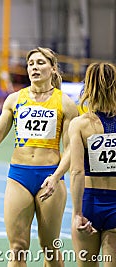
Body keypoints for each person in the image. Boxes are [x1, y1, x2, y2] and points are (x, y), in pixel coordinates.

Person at [0, 47, 78, 266]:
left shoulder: (65, 103)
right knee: (17, 248)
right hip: (19, 177)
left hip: (50, 176)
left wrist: (57, 176)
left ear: (52, 68)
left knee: (50, 248)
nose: (34, 67)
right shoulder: (14, 100)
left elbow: (71, 149)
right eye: (31, 63)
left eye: (40, 63)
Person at [69, 62, 116, 266]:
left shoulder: (80, 124)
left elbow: (77, 171)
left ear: (88, 87)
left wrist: (77, 213)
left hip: (90, 202)